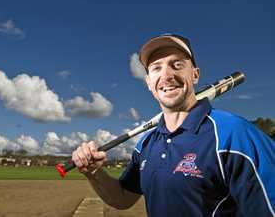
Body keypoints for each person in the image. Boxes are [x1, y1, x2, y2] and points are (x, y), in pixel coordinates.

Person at [71, 34, 275, 217]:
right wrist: (93, 172)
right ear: (149, 83)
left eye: (176, 65)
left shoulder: (235, 134)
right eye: (156, 68)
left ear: (195, 75)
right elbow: (122, 198)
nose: (167, 75)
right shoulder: (146, 145)